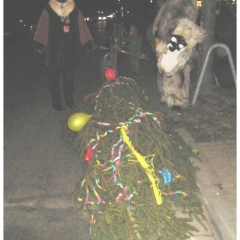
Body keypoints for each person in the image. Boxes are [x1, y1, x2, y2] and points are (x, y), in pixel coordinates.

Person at [33, 0, 94, 111]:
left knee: (69, 79)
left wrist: (87, 43)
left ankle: (69, 100)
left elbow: (82, 27)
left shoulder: (75, 10)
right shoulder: (48, 10)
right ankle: (56, 103)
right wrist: (39, 44)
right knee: (53, 79)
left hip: (70, 52)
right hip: (53, 52)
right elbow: (42, 27)